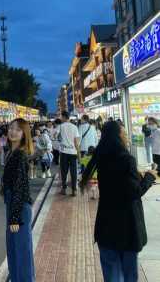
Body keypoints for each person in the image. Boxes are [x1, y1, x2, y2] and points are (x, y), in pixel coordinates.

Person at [80, 121, 156, 282]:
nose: (127, 137)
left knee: (112, 276)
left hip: (106, 227)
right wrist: (149, 177)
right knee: (129, 275)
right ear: (117, 136)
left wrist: (137, 175)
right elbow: (134, 192)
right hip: (127, 229)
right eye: (124, 133)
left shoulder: (101, 157)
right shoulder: (126, 158)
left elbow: (117, 183)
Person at [2, 118, 35, 282]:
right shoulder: (11, 153)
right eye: (11, 128)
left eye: (18, 129)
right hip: (13, 206)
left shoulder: (20, 155)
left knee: (22, 254)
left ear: (24, 134)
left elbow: (20, 187)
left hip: (19, 209)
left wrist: (15, 216)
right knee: (13, 250)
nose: (13, 131)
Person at [59, 111, 80, 197]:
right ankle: (74, 190)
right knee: (73, 171)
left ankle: (64, 189)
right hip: (73, 152)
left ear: (64, 117)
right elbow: (76, 141)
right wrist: (78, 153)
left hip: (64, 152)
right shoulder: (74, 127)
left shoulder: (61, 126)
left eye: (61, 117)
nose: (61, 118)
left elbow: (56, 136)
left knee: (64, 171)